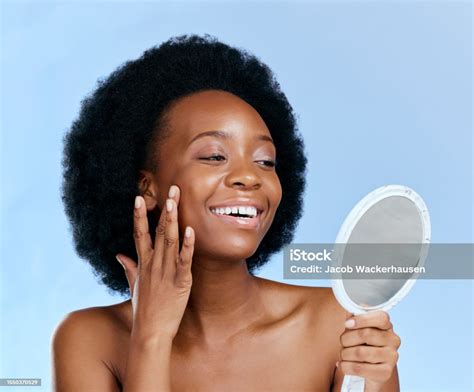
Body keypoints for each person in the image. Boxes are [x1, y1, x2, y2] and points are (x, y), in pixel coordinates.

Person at [52, 34, 401, 391]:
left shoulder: (340, 326)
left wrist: (372, 382)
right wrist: (151, 337)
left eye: (265, 161)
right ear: (146, 186)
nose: (250, 177)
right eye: (214, 156)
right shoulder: (89, 340)